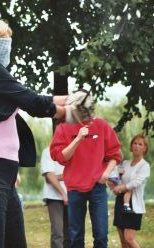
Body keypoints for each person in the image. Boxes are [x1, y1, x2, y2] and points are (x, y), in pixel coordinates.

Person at [0, 14, 68, 248]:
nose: (7, 46)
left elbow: (31, 98)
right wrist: (71, 111)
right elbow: (33, 102)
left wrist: (71, 100)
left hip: (1, 174)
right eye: (3, 41)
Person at [50, 89, 122, 248]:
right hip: (74, 188)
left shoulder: (102, 126)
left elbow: (115, 155)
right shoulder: (63, 128)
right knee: (75, 237)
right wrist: (78, 139)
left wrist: (107, 172)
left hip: (97, 187)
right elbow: (60, 157)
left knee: (101, 235)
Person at [112, 135, 150, 248]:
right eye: (135, 143)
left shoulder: (145, 166)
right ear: (131, 146)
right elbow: (116, 177)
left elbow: (135, 183)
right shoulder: (125, 164)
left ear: (144, 148)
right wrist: (114, 184)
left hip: (133, 204)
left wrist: (120, 188)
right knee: (123, 241)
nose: (137, 146)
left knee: (129, 238)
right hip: (120, 201)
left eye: (140, 144)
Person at [40, 145, 70, 248]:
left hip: (73, 195)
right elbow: (49, 176)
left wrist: (57, 177)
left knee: (71, 233)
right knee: (58, 233)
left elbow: (78, 172)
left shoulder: (73, 149)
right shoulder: (47, 151)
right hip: (54, 197)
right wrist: (63, 194)